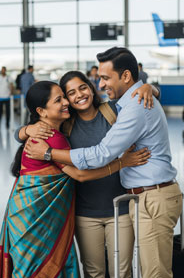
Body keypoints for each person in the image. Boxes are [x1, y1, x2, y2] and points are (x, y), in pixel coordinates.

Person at [24, 47, 183, 278]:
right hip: (120, 203)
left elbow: (101, 154)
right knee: (122, 270)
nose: (100, 85)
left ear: (126, 76)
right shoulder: (70, 125)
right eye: (69, 93)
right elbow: (35, 129)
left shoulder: (122, 108)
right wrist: (25, 130)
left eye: (104, 79)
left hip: (140, 200)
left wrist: (49, 153)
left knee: (148, 272)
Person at [0, 80, 148, 278]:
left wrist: (148, 87)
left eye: (65, 97)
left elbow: (135, 100)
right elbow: (80, 175)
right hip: (38, 219)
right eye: (60, 98)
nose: (67, 102)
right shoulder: (53, 136)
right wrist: (123, 162)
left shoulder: (66, 125)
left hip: (24, 216)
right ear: (41, 111)